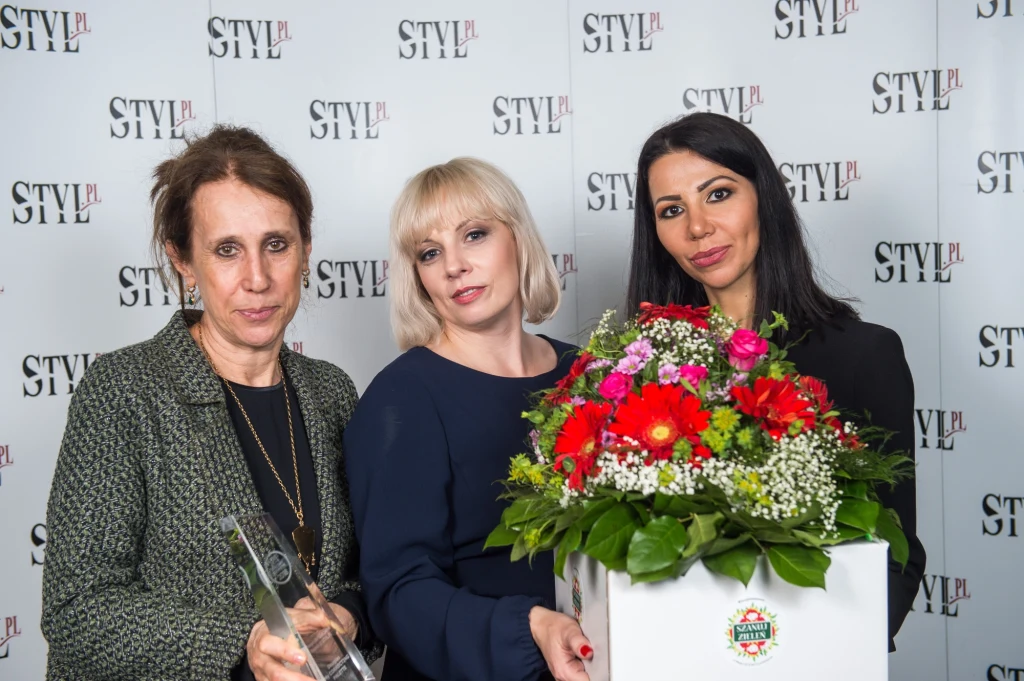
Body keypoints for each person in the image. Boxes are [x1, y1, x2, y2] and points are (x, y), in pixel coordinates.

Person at [41, 125, 380, 681]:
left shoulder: (332, 392)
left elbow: (368, 572)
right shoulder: (125, 390)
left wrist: (347, 615)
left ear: (306, 249)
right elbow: (77, 611)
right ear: (183, 261)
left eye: (276, 244)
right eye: (227, 250)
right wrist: (243, 645)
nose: (257, 278)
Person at [626, 112, 926, 651]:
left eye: (718, 194)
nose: (697, 228)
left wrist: (808, 655)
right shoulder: (645, 371)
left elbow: (895, 555)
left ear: (764, 197)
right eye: (672, 210)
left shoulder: (865, 355)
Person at [343, 158, 593, 681]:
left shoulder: (588, 374)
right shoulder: (401, 398)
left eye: (474, 235)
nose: (453, 266)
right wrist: (529, 629)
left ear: (518, 238)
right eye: (430, 253)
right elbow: (398, 593)